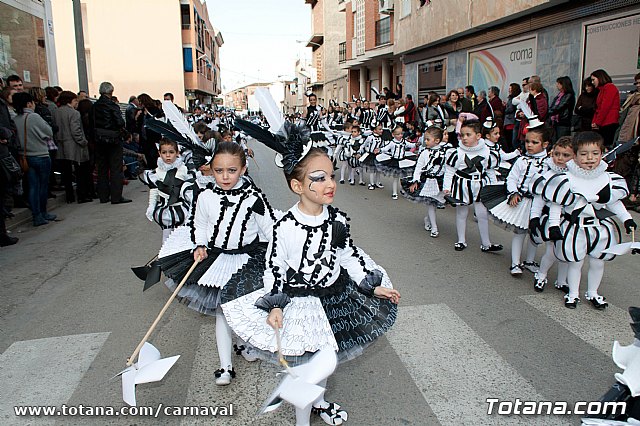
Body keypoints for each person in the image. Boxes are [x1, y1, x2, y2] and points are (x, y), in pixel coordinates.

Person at [221, 120, 400, 425]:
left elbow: (348, 255)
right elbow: (275, 267)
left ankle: (318, 400)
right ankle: (303, 417)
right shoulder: (285, 227)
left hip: (335, 296)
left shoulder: (337, 220)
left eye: (331, 176)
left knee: (325, 357)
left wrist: (371, 286)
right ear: (297, 186)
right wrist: (275, 304)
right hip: (300, 302)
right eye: (319, 178)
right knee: (310, 362)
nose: (330, 184)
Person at [156, 141, 279, 385]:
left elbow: (271, 229)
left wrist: (281, 254)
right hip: (217, 262)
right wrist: (200, 244)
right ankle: (225, 366)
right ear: (210, 170)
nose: (225, 176)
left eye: (231, 171)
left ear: (243, 169)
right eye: (219, 170)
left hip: (247, 261)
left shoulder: (253, 198)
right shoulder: (206, 196)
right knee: (223, 311)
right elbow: (199, 224)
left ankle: (243, 345)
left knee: (242, 310)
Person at [540, 132, 636, 309]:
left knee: (598, 262)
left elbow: (613, 202)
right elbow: (556, 204)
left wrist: (627, 219)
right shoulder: (566, 179)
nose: (590, 158)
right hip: (575, 228)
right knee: (575, 263)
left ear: (602, 153)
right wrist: (554, 226)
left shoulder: (607, 178)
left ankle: (593, 292)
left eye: (595, 153)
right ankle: (573, 293)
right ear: (575, 156)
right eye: (584, 154)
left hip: (599, 228)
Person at [486, 124, 549, 276]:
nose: (529, 145)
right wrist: (513, 193)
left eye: (534, 142)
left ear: (545, 144)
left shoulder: (549, 162)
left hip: (540, 203)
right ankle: (515, 263)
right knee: (520, 232)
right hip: (522, 201)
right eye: (527, 142)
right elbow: (512, 178)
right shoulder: (522, 160)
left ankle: (529, 261)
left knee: (534, 233)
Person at [443, 119, 502, 252]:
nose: (464, 138)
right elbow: (450, 171)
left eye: (468, 135)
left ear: (478, 136)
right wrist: (447, 187)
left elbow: (490, 171)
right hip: (462, 185)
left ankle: (486, 244)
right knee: (462, 213)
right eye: (462, 135)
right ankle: (461, 240)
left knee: (482, 214)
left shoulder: (487, 152)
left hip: (480, 185)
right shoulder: (457, 153)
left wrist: (494, 188)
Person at [529, 136, 574, 292]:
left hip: (570, 220)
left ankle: (561, 281)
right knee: (552, 251)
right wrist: (534, 218)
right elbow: (539, 199)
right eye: (557, 154)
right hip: (552, 219)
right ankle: (541, 275)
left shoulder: (575, 176)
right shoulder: (547, 174)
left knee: (567, 251)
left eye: (566, 155)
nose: (560, 158)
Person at [12, 92, 56, 226]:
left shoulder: (15, 119)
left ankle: (36, 215)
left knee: (32, 186)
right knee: (43, 186)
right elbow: (48, 132)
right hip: (40, 154)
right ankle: (43, 212)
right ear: (29, 103)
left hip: (25, 157)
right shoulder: (34, 117)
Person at [139, 138, 194, 243]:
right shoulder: (156, 172)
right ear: (159, 153)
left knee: (184, 237)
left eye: (171, 152)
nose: (168, 155)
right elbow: (154, 190)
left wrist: (193, 207)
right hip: (165, 210)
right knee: (167, 238)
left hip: (182, 208)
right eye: (164, 152)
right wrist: (151, 206)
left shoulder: (183, 169)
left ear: (177, 153)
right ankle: (166, 252)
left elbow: (189, 192)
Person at [402, 126, 449, 237]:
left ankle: (428, 219)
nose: (425, 141)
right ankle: (434, 227)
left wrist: (448, 185)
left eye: (428, 139)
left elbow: (447, 169)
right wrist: (415, 181)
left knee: (435, 203)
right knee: (431, 204)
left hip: (440, 182)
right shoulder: (424, 153)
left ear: (437, 140)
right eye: (425, 139)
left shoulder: (445, 153)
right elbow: (418, 168)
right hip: (428, 181)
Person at [93, 81, 130, 204]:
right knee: (115, 168)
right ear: (111, 92)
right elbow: (120, 122)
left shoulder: (94, 106)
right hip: (113, 139)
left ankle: (103, 196)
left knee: (102, 168)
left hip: (99, 140)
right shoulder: (112, 106)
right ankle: (116, 196)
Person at [53, 91, 91, 204]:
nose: (76, 103)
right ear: (70, 101)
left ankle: (69, 196)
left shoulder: (56, 112)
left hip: (61, 144)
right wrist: (83, 142)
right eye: (75, 101)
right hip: (74, 145)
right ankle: (81, 195)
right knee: (79, 172)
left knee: (66, 173)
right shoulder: (74, 113)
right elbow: (76, 130)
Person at [375, 125, 417, 199]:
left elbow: (410, 145)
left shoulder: (403, 141)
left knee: (404, 177)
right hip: (395, 161)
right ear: (393, 135)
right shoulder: (392, 143)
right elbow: (386, 148)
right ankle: (394, 192)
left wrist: (415, 144)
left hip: (403, 160)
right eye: (398, 134)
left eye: (401, 133)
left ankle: (403, 190)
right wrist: (379, 150)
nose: (400, 135)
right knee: (396, 178)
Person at [590, 69, 620, 148]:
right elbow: (599, 108)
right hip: (604, 122)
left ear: (600, 78)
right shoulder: (602, 90)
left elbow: (605, 107)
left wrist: (597, 122)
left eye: (593, 80)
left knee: (605, 145)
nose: (592, 82)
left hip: (608, 122)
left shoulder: (609, 87)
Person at [548, 76, 576, 143]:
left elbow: (560, 107)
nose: (557, 85)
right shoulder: (559, 95)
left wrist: (550, 112)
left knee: (562, 141)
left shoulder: (569, 95)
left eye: (558, 83)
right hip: (555, 122)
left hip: (563, 121)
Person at [359, 123, 386, 190]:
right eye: (380, 129)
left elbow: (383, 146)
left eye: (382, 129)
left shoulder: (382, 138)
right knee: (372, 170)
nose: (381, 130)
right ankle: (371, 183)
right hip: (371, 156)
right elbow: (364, 145)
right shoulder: (370, 137)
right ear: (374, 130)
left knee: (378, 170)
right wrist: (360, 151)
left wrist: (381, 151)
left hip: (378, 156)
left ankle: (377, 182)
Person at [503, 83, 521, 152]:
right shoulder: (511, 98)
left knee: (510, 139)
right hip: (509, 122)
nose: (509, 90)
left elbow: (510, 109)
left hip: (511, 122)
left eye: (510, 89)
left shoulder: (514, 99)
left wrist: (505, 108)